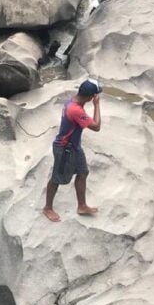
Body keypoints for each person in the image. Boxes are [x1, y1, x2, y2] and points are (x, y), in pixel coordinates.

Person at [43, 79, 102, 222]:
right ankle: (47, 208)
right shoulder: (75, 109)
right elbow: (96, 126)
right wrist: (96, 105)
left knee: (83, 172)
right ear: (89, 97)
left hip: (74, 146)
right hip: (65, 149)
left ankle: (82, 206)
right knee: (57, 178)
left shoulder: (73, 101)